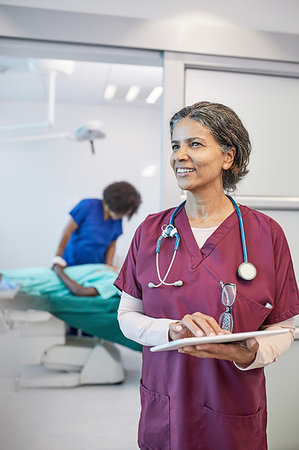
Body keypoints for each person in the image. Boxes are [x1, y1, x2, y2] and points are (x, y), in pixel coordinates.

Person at [114, 101, 299, 450]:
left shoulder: (265, 233)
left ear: (228, 157)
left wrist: (248, 353)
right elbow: (127, 316)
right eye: (175, 145)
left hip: (233, 409)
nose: (179, 155)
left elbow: (283, 329)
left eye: (194, 144)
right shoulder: (151, 231)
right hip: (165, 403)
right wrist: (172, 330)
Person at [53, 181, 141, 268]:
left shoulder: (117, 221)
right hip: (71, 263)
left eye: (125, 214)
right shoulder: (88, 206)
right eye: (122, 212)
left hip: (96, 267)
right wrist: (58, 257)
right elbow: (67, 231)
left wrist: (109, 265)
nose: (122, 216)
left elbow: (112, 244)